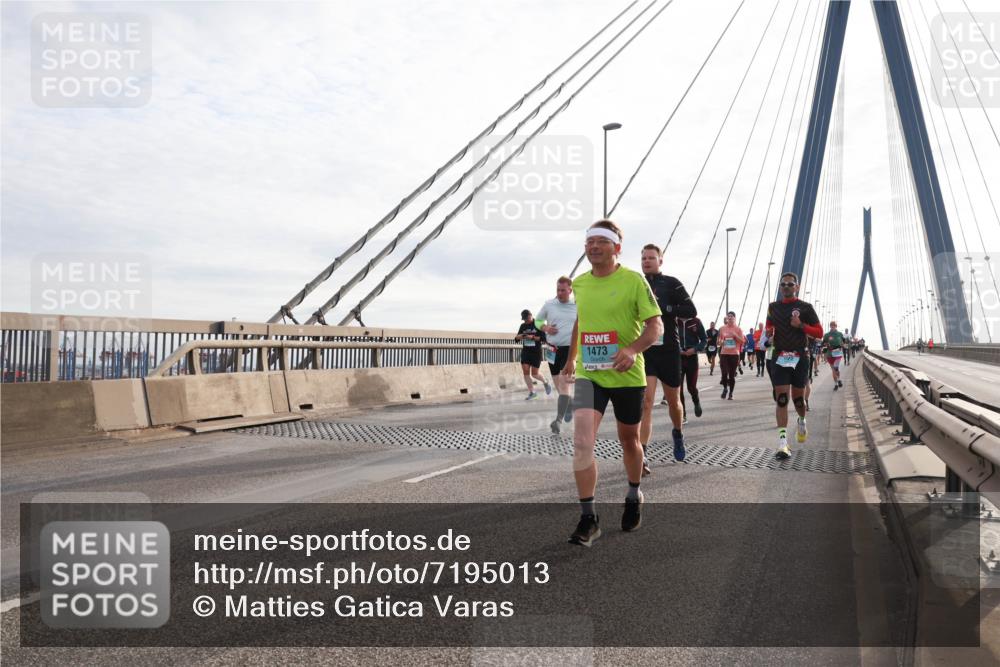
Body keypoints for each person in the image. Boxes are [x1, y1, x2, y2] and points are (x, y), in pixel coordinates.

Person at [563, 220, 663, 546]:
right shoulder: (579, 283)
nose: (593, 247)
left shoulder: (634, 281)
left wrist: (633, 350)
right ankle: (588, 518)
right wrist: (570, 358)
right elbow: (581, 320)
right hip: (590, 373)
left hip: (625, 374)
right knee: (581, 442)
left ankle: (634, 493)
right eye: (589, 241)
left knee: (629, 440)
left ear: (616, 248)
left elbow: (655, 326)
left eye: (600, 242)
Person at [639, 243, 697, 473]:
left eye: (651, 258)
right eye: (643, 258)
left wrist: (665, 308)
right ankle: (642, 454)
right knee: (646, 402)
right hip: (647, 350)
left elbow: (691, 310)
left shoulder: (672, 283)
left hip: (670, 350)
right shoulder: (637, 283)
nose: (646, 261)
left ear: (660, 261)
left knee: (674, 401)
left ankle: (678, 432)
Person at [765, 273, 823, 460]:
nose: (786, 287)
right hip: (780, 356)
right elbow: (769, 325)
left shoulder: (806, 308)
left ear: (797, 287)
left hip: (800, 357)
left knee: (799, 401)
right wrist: (769, 333)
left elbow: (819, 332)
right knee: (781, 399)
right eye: (783, 284)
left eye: (790, 284)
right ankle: (782, 443)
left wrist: (801, 326)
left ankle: (802, 420)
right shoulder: (773, 307)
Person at [536, 277, 578, 434]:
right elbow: (538, 321)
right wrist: (545, 328)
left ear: (570, 290)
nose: (560, 293)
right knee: (558, 386)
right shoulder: (549, 304)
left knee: (564, 383)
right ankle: (571, 404)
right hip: (553, 350)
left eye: (563, 290)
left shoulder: (577, 305)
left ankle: (558, 420)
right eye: (558, 290)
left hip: (570, 350)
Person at [515, 310, 550, 400]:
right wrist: (522, 335)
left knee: (534, 374)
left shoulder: (538, 324)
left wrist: (533, 337)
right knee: (525, 370)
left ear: (531, 315)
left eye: (527, 319)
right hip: (526, 351)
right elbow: (516, 338)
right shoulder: (523, 326)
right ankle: (532, 392)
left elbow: (544, 338)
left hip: (536, 352)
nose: (526, 321)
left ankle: (545, 382)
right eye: (524, 319)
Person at [678, 315, 707, 422]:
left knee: (691, 387)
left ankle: (696, 401)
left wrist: (695, 349)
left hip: (692, 358)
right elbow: (668, 338)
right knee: (678, 389)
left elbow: (704, 340)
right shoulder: (674, 320)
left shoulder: (696, 321)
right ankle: (682, 415)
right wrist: (677, 349)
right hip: (678, 358)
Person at [717, 312, 745, 400]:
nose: (730, 318)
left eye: (731, 316)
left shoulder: (738, 329)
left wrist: (735, 335)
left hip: (734, 354)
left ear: (734, 318)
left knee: (732, 376)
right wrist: (720, 342)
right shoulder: (722, 328)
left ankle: (731, 393)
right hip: (724, 353)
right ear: (726, 318)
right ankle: (725, 388)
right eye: (728, 316)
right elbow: (718, 341)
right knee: (724, 373)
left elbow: (742, 341)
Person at [823, 321, 846, 390]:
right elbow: (824, 343)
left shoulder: (840, 334)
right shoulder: (827, 335)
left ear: (836, 326)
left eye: (834, 325)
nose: (833, 327)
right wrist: (827, 345)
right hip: (830, 354)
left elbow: (844, 341)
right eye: (831, 325)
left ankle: (838, 380)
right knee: (833, 369)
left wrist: (842, 345)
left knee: (836, 367)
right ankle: (836, 383)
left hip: (838, 353)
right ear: (830, 326)